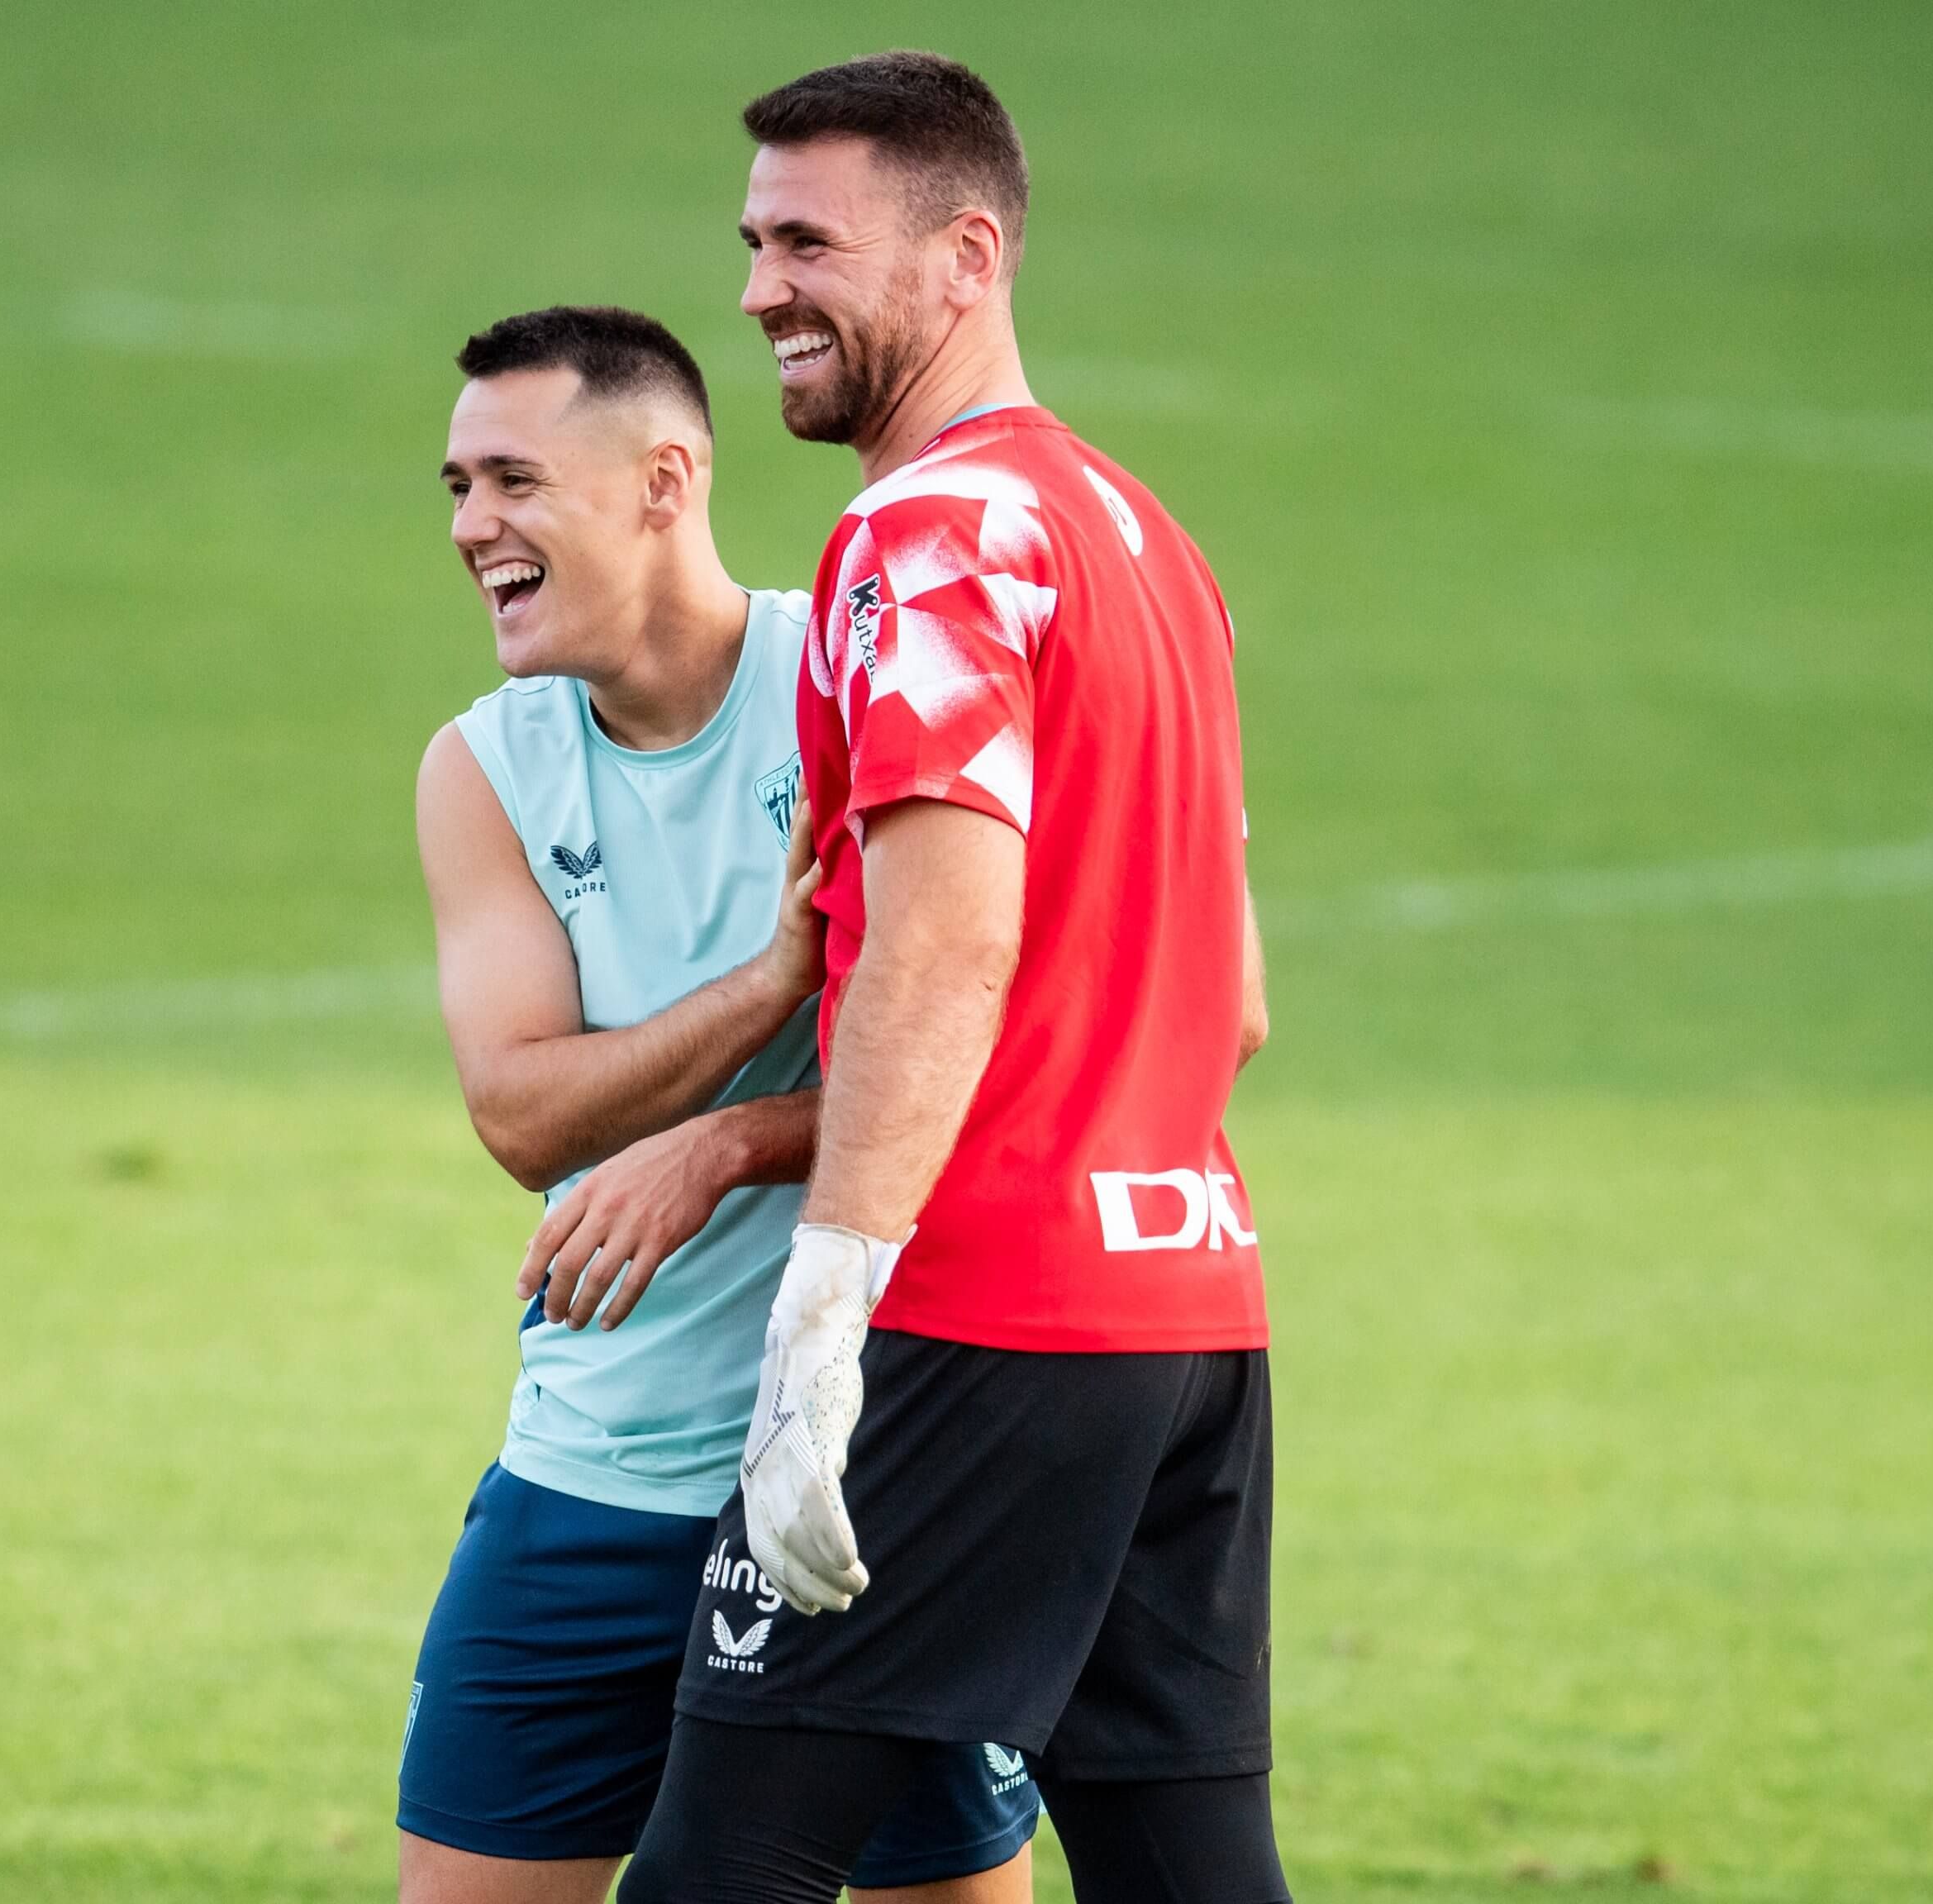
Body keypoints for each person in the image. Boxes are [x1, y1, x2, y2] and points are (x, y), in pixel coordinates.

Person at [616, 54, 1286, 1904]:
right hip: (1184, 1316)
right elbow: (1229, 1003)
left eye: (807, 241)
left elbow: (943, 937)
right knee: (1185, 1869)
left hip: (978, 1319)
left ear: (963, 255)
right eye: (751, 242)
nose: (754, 288)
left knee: (716, 1874)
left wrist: (823, 1325)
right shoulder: (1148, 544)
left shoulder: (919, 540)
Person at [401, 304, 1040, 1904]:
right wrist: (762, 995)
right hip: (584, 1473)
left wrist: (735, 1138)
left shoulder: (849, 679)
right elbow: (522, 1118)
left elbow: (1003, 1063)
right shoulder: (481, 766)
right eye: (457, 488)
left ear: (662, 480)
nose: (474, 526)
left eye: (512, 481)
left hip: (849, 1484)